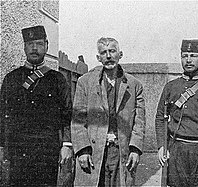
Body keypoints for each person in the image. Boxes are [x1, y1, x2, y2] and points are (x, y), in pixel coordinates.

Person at [0, 25, 73, 186]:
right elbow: (2, 115)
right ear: (24, 47)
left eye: (39, 44)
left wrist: (67, 144)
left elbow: (67, 114)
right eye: (30, 44)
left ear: (47, 46)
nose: (35, 48)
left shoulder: (58, 79)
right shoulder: (11, 79)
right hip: (17, 151)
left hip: (47, 151)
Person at [71, 37, 146, 186]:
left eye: (112, 51)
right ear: (98, 58)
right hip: (94, 150)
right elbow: (78, 119)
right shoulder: (85, 82)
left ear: (120, 54)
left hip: (121, 151)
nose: (109, 56)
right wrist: (82, 150)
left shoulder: (134, 85)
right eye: (104, 53)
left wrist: (135, 149)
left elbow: (139, 121)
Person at [155, 39, 198, 187]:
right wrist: (161, 146)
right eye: (185, 55)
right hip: (177, 150)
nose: (188, 60)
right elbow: (160, 117)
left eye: (193, 55)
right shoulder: (171, 87)